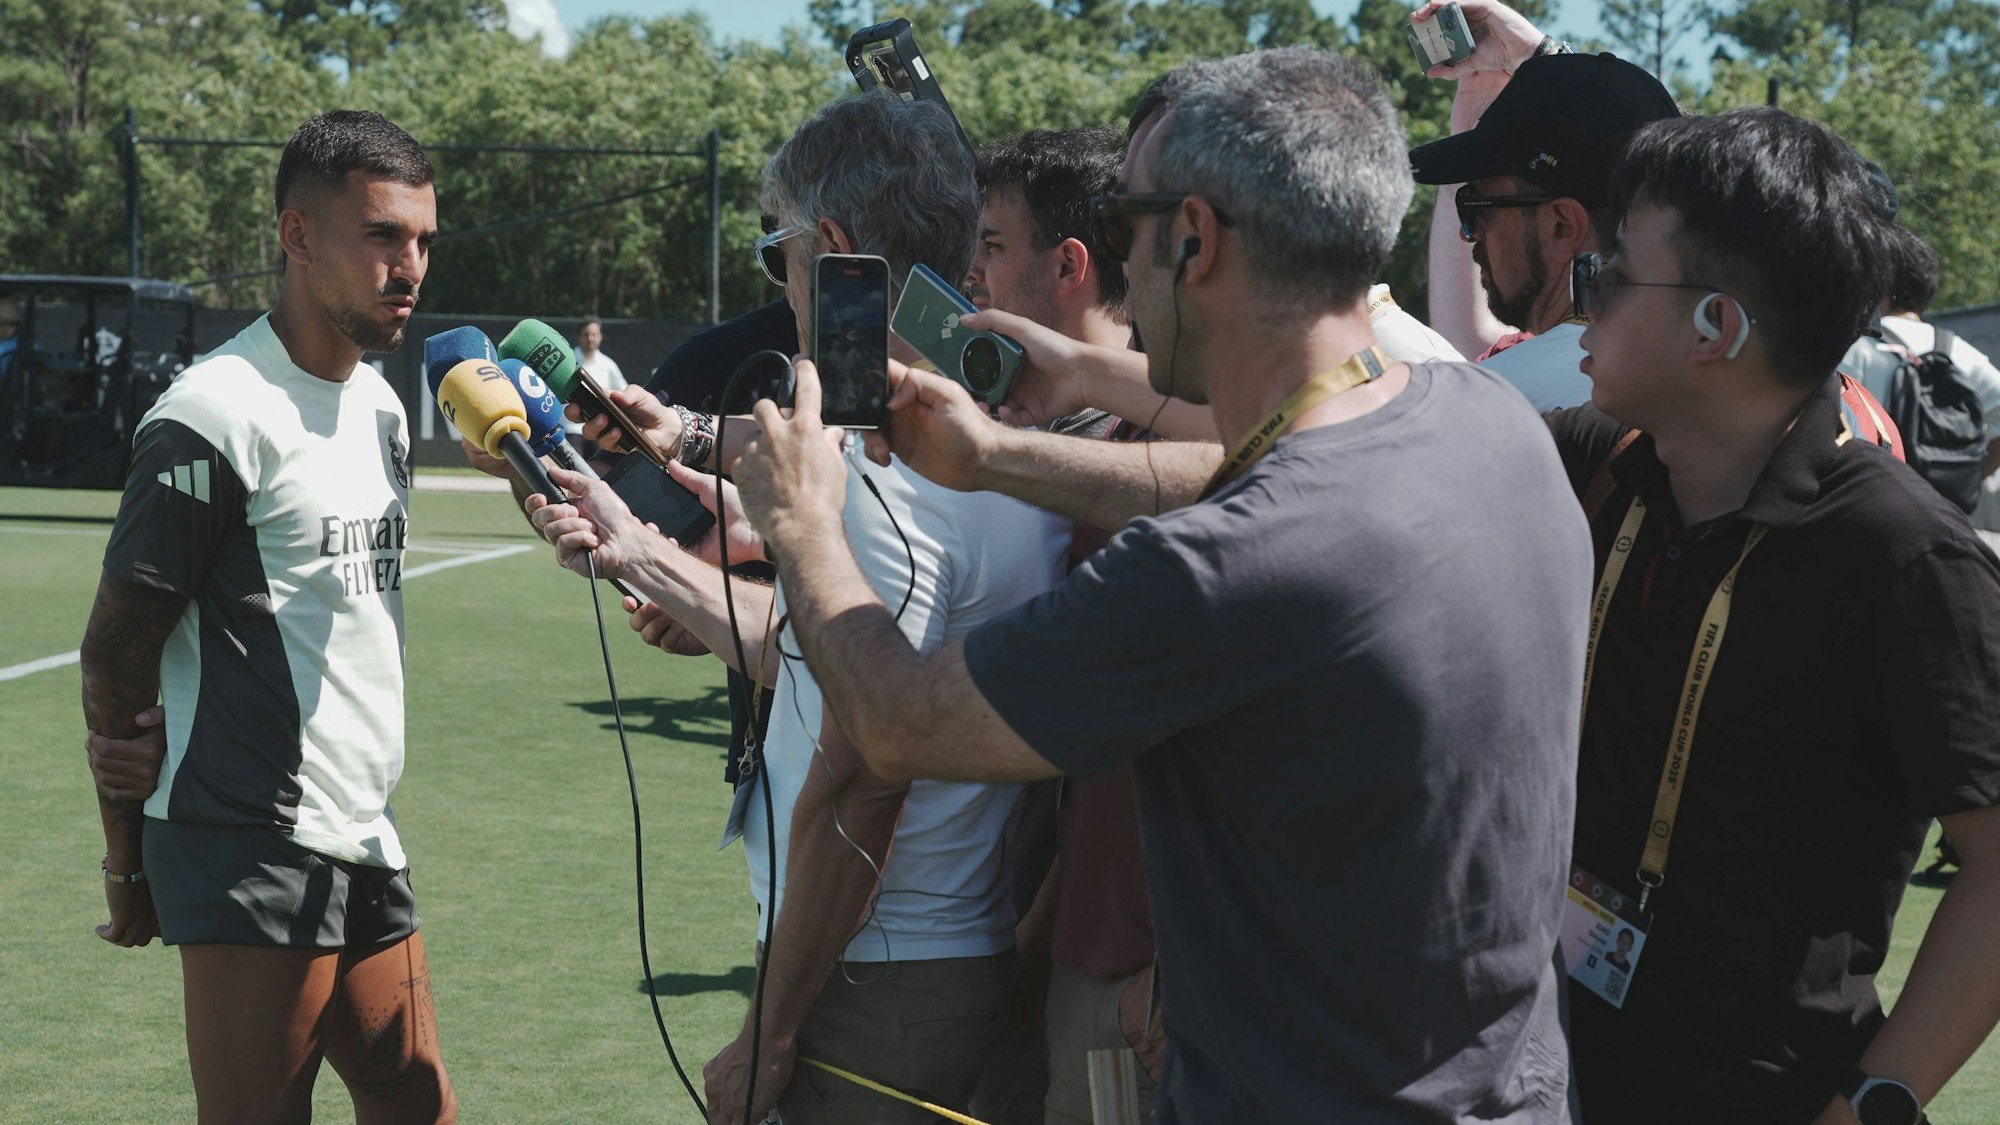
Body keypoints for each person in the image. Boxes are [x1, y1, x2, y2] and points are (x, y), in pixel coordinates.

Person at [723, 48, 1588, 1122]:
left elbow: (898, 727)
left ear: (1193, 237)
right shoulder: (1484, 423)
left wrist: (801, 523)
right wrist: (1006, 445)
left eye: (1127, 224)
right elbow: (1261, 461)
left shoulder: (1224, 568)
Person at [527, 91, 1068, 1125]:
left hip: (877, 977)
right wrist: (638, 552)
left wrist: (767, 1033)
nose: (780, 279)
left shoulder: (882, 474)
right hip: (929, 960)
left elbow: (866, 778)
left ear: (829, 243)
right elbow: (841, 657)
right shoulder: (988, 427)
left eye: (779, 249)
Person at [1550, 107, 2000, 1124]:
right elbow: (1367, 434)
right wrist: (1101, 378)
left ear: (1714, 327)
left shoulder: (1898, 553)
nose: (1582, 304)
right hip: (1561, 1073)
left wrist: (1871, 1104)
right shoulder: (1609, 467)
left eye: (1611, 274)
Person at [77, 110, 453, 1122]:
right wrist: (125, 860)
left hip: (360, 825)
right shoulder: (213, 415)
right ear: (298, 237)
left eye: (421, 240)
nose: (407, 266)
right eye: (381, 236)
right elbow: (116, 653)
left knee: (419, 1110)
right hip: (249, 835)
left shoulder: (380, 405)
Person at [1408, 0, 1679, 411]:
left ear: (1563, 227)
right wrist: (1541, 62)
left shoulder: (1489, 402)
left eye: (1478, 206)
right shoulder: (1713, 359)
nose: (1470, 233)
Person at [1840, 224, 2000, 481]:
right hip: (1941, 506)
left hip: (1876, 494)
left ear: (1881, 284)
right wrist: (1972, 480)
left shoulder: (1859, 349)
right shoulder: (1959, 350)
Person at [569, 314, 626, 458]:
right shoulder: (567, 361)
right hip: (570, 430)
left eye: (594, 334)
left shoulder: (608, 365)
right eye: (586, 334)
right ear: (579, 336)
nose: (590, 338)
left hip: (600, 432)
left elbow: (623, 393)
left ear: (600, 336)